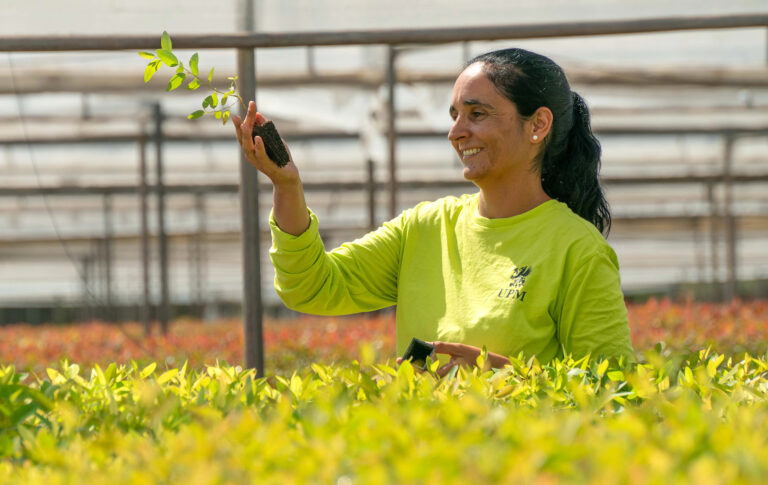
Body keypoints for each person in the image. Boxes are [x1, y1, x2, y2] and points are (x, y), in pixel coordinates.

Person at [232, 47, 634, 376]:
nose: (456, 132)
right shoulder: (424, 228)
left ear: (538, 125)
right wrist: (287, 186)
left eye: (477, 114)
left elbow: (614, 389)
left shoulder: (578, 249)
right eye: (455, 115)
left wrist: (511, 377)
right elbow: (311, 287)